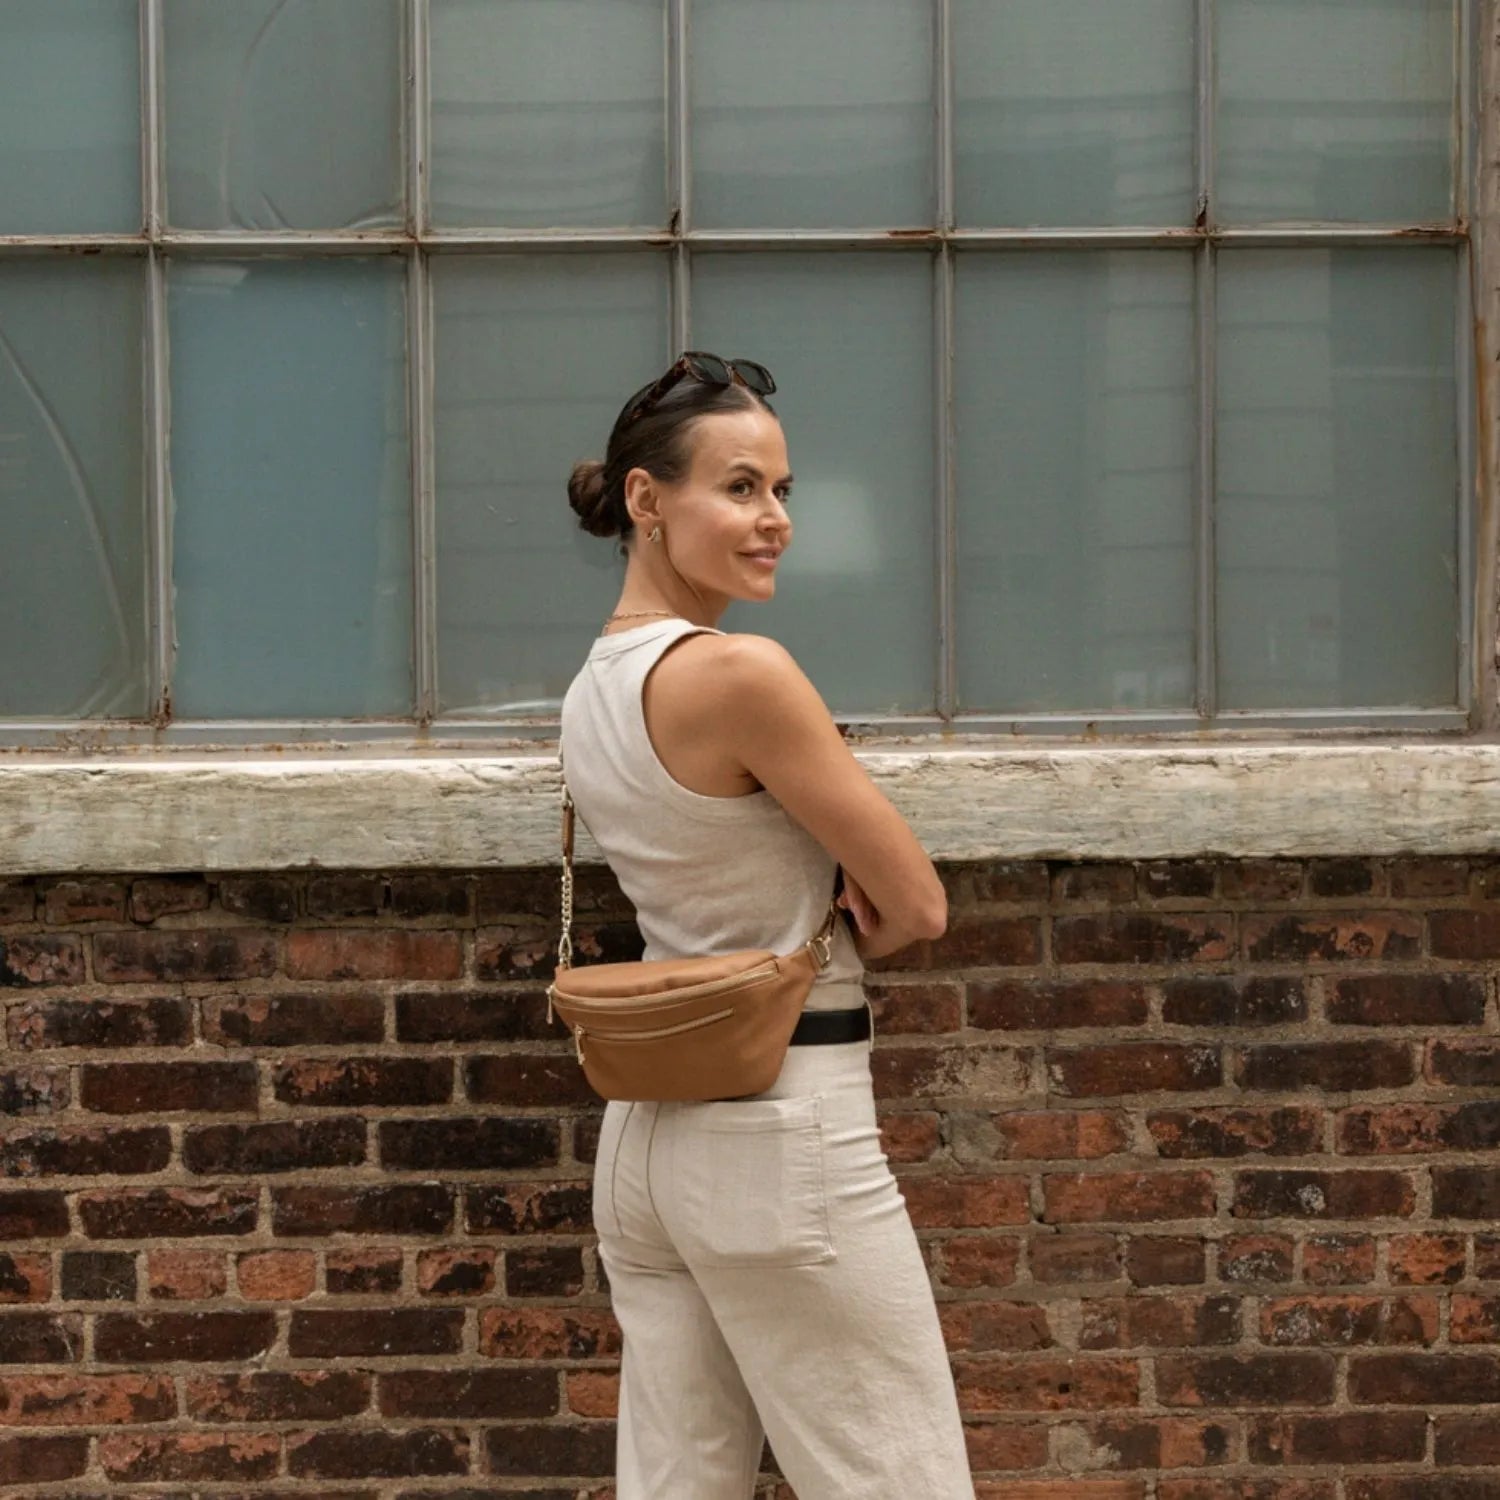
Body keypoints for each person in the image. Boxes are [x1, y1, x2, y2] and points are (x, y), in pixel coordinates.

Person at [558, 350, 975, 1499]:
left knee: (677, 1481)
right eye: (738, 488)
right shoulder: (742, 674)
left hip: (647, 1138)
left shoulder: (595, 683)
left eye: (782, 489)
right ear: (647, 501)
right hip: (785, 1128)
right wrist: (870, 924)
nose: (774, 517)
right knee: (898, 1478)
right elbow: (919, 907)